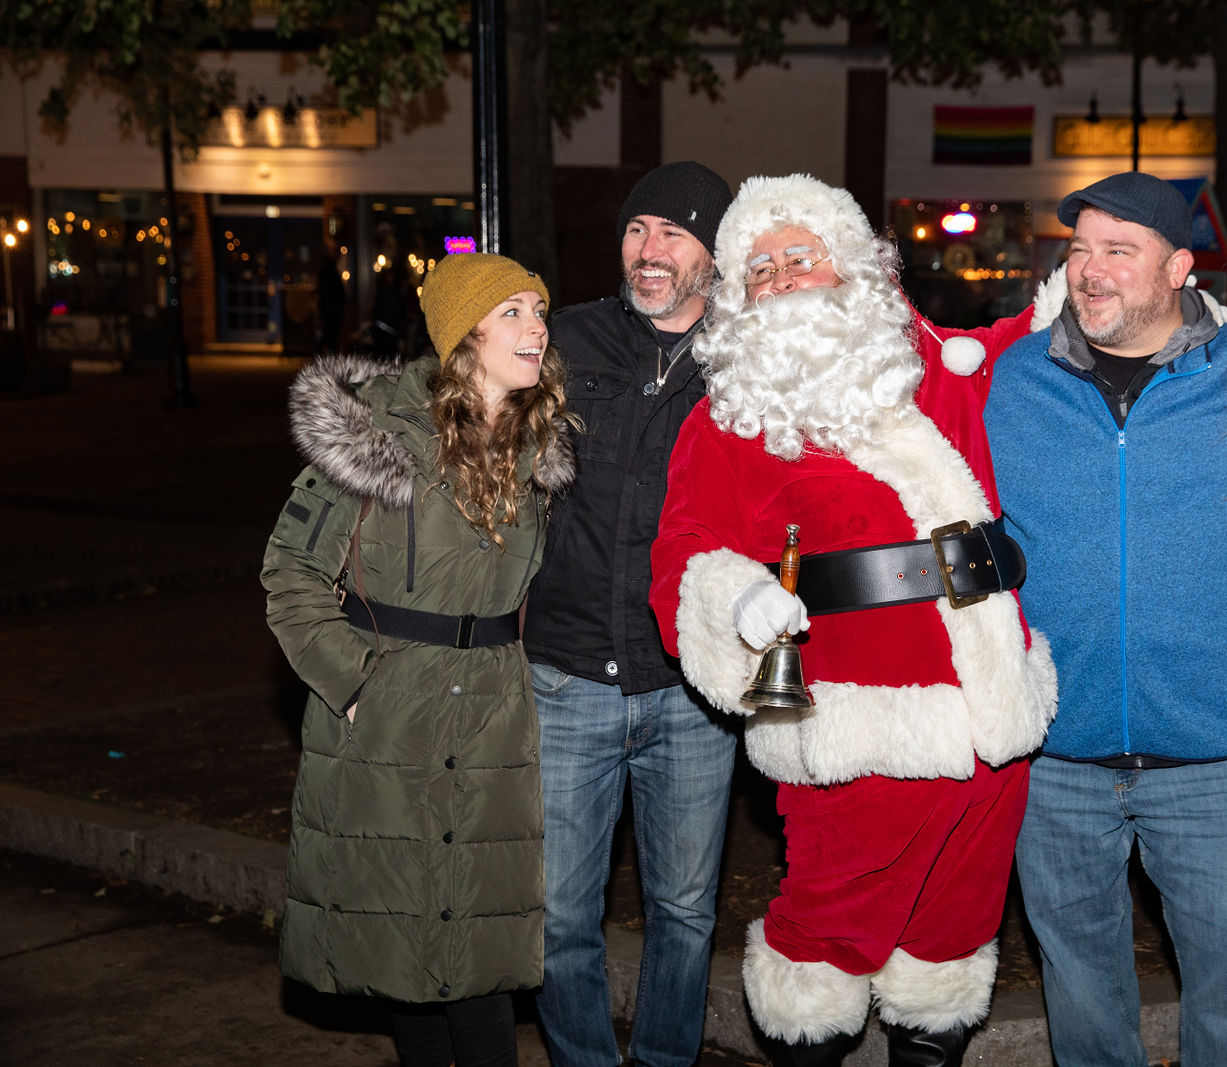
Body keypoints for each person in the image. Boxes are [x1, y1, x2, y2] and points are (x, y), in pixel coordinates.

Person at [649, 173, 1057, 1066]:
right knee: (824, 939)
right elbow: (682, 547)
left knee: (952, 935)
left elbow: (1035, 338)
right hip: (853, 729)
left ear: (854, 267)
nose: (781, 279)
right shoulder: (728, 418)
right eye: (760, 270)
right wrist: (735, 595)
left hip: (992, 714)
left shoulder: (931, 366)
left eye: (800, 256)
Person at [985, 171, 1227, 1067]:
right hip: (1057, 754)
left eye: (1120, 251)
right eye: (1081, 250)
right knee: (1082, 1000)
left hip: (1209, 754)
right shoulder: (1018, 378)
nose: (1091, 270)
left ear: (1180, 268)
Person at [262, 252, 575, 1067]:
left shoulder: (537, 449)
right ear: (463, 334)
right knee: (408, 950)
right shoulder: (380, 439)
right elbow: (290, 571)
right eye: (512, 312)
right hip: (391, 717)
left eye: (539, 311)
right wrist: (357, 683)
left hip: (495, 718)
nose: (537, 327)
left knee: (478, 950)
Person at [520, 160, 738, 1067]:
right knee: (560, 913)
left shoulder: (749, 358)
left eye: (673, 233)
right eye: (637, 230)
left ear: (713, 254)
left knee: (684, 911)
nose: (649, 249)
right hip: (566, 674)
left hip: (692, 687)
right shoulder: (562, 341)